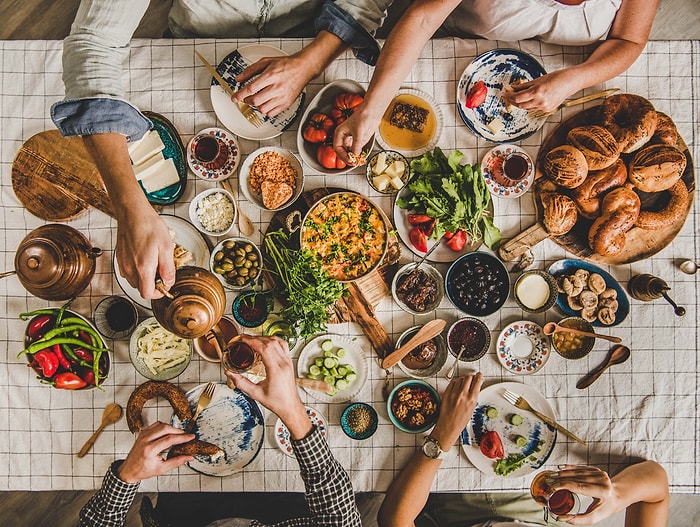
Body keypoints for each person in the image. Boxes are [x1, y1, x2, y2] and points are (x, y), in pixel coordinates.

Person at [51, 0, 393, 301]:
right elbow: (92, 44)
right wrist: (129, 207)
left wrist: (311, 62)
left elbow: (366, 3)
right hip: (193, 38)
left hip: (311, 38)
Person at [78, 335, 362, 527]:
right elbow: (340, 516)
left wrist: (126, 477)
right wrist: (294, 413)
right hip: (277, 509)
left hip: (181, 514)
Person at [333, 0, 658, 163]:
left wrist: (572, 79)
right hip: (451, 37)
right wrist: (372, 110)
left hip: (558, 69)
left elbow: (629, 40)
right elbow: (422, 18)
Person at [377, 372, 670, 527]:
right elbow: (656, 486)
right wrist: (618, 495)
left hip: (457, 509)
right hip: (548, 508)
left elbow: (394, 519)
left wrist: (443, 435)